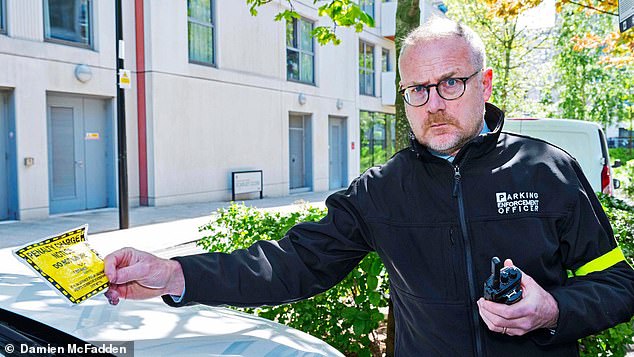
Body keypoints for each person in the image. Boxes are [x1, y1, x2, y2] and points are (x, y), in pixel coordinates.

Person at [104, 17, 634, 356]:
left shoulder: (548, 169)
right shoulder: (382, 189)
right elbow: (291, 263)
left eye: (451, 83)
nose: (435, 104)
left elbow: (618, 284)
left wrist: (553, 312)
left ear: (485, 83)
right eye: (418, 90)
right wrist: (174, 273)